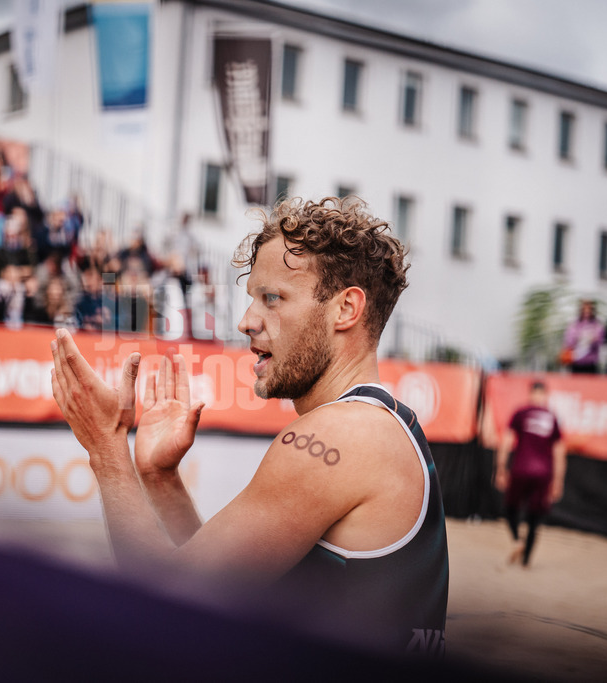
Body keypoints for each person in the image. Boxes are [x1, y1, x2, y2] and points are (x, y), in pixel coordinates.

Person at [49, 197, 448, 656]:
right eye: (251, 298)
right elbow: (230, 594)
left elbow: (170, 601)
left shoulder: (336, 437)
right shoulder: (383, 423)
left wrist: (105, 449)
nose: (246, 321)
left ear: (346, 309)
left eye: (272, 298)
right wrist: (161, 480)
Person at [493, 381, 566, 568]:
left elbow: (507, 441)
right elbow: (559, 452)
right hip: (543, 473)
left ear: (531, 394)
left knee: (510, 509)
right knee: (535, 516)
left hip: (521, 469)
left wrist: (501, 467)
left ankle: (518, 540)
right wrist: (558, 480)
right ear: (544, 395)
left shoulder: (521, 413)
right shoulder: (552, 417)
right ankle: (526, 560)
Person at [561, 299, 604, 374]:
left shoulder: (597, 325)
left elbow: (601, 342)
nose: (587, 311)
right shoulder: (574, 325)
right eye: (584, 308)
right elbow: (568, 342)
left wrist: (593, 340)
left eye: (589, 308)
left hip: (591, 364)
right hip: (576, 363)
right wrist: (578, 338)